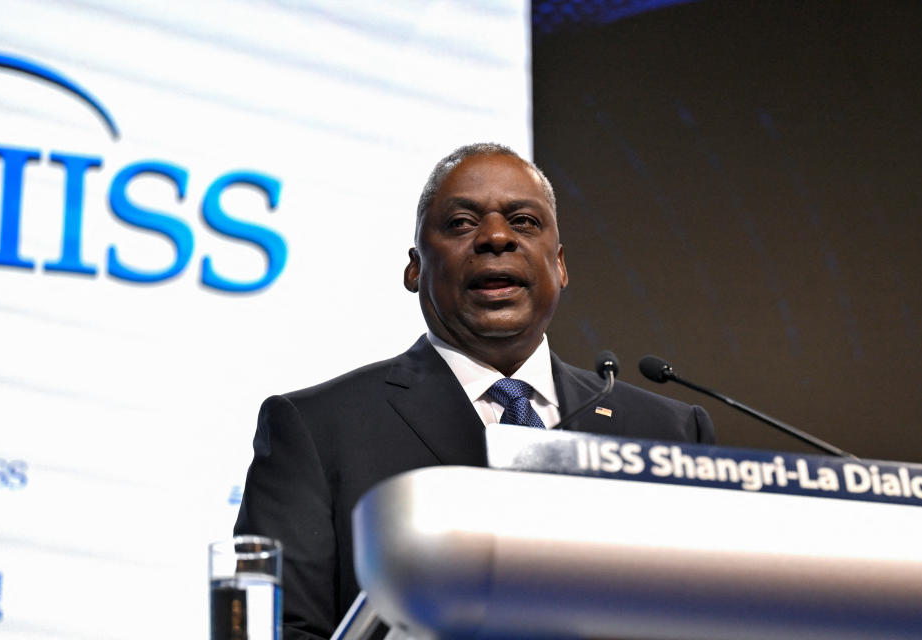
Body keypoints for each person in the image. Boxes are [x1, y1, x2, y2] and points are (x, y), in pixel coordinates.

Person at [234, 143, 715, 640]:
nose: (496, 237)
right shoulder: (316, 428)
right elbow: (274, 629)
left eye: (524, 222)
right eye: (462, 223)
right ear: (415, 267)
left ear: (561, 264)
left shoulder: (668, 431)